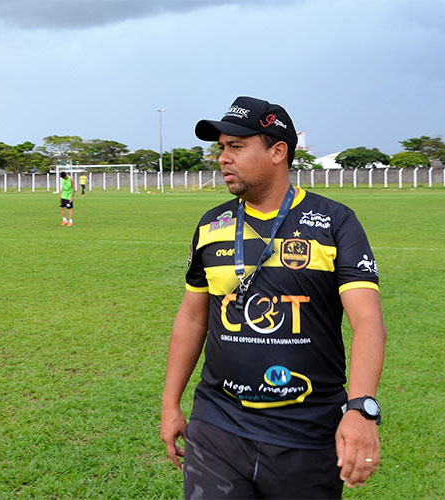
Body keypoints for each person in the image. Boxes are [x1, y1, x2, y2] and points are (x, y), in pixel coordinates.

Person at [160, 96, 387, 499]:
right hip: (218, 425)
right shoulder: (212, 224)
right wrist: (170, 402)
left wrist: (361, 406)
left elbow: (367, 320)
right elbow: (193, 317)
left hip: (307, 432)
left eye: (236, 146)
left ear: (278, 151)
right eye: (221, 148)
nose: (222, 159)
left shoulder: (334, 222)